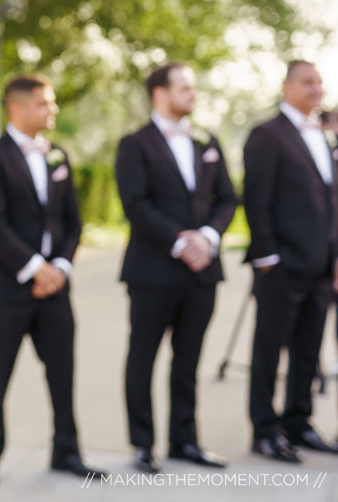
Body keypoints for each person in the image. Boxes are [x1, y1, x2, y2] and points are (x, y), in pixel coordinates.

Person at [0, 75, 104, 488]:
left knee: (62, 371)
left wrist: (59, 267)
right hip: (4, 287)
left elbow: (72, 222)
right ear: (18, 108)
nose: (53, 110)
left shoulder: (58, 155)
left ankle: (67, 451)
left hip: (55, 289)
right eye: (45, 104)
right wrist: (34, 268)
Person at [115, 63, 236, 473]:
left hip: (203, 272)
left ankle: (186, 440)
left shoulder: (208, 140)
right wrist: (181, 241)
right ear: (159, 93)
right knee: (143, 358)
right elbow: (135, 204)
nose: (193, 94)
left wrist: (209, 238)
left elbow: (227, 199)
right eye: (185, 87)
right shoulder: (134, 144)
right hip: (152, 271)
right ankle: (143, 444)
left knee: (189, 360)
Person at [245, 60, 338, 462]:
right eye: (307, 82)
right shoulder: (267, 135)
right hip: (281, 266)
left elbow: (330, 202)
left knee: (308, 349)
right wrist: (267, 258)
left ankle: (298, 422)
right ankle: (264, 430)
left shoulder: (321, 135)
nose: (316, 89)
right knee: (269, 350)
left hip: (320, 268)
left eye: (319, 83)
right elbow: (256, 199)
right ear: (286, 86)